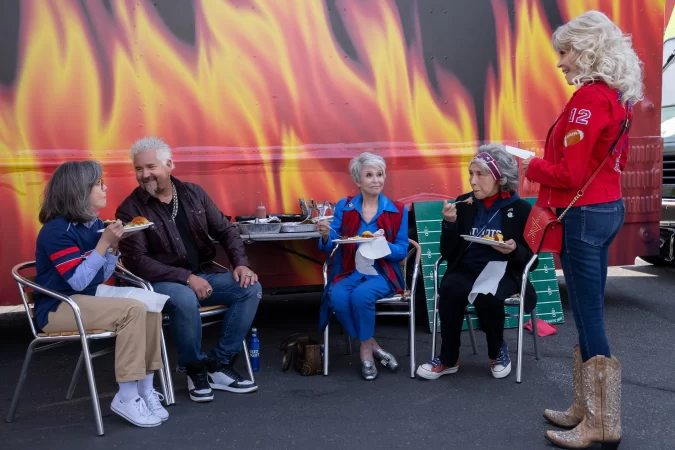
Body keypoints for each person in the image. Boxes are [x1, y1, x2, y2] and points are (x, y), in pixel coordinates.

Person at [522, 11, 642, 449]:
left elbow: (568, 174)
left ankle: (601, 423)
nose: (560, 62)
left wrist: (530, 165)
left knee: (589, 314)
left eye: (565, 51)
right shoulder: (617, 97)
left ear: (588, 49)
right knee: (588, 310)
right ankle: (586, 409)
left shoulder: (589, 100)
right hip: (607, 208)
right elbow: (615, 163)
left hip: (585, 214)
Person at [116, 137, 261, 403]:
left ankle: (218, 364)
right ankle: (195, 370)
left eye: (151, 167)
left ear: (169, 165)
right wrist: (186, 278)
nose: (144, 175)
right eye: (138, 169)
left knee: (249, 287)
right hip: (158, 283)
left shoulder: (193, 193)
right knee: (185, 298)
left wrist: (241, 263)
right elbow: (136, 260)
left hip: (201, 274)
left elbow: (226, 230)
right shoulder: (130, 209)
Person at [35, 161, 168, 428]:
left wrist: (113, 247)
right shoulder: (56, 231)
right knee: (132, 310)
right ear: (79, 190)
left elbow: (100, 275)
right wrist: (105, 243)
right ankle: (126, 397)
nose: (105, 187)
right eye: (99, 183)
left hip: (87, 297)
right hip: (57, 307)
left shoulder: (92, 223)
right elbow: (79, 280)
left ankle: (144, 388)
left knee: (151, 302)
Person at [416, 145, 537, 381]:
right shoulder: (464, 204)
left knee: (486, 293)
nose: (472, 181)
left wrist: (513, 249)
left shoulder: (520, 209)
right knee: (450, 287)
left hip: (502, 270)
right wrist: (450, 224)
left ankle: (497, 352)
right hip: (468, 267)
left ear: (499, 176)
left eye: (480, 174)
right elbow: (448, 253)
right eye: (471, 173)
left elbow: (532, 261)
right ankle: (448, 359)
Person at [317, 152, 409, 381]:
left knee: (361, 296)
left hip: (382, 272)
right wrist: (327, 236)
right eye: (369, 175)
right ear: (358, 180)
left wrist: (382, 244)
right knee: (337, 297)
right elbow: (331, 245)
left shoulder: (398, 210)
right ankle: (372, 344)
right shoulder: (345, 207)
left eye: (380, 174)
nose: (376, 180)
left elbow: (401, 251)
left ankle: (365, 352)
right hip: (349, 269)